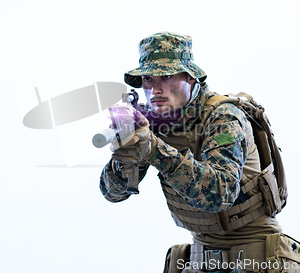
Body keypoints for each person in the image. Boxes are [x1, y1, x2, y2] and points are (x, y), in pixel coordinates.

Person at [100, 32, 283, 273]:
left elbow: (220, 193)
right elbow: (113, 193)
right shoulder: (154, 123)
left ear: (190, 77)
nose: (154, 89)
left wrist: (155, 149)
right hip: (200, 261)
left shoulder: (224, 118)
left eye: (165, 76)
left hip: (255, 259)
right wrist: (125, 154)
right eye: (147, 79)